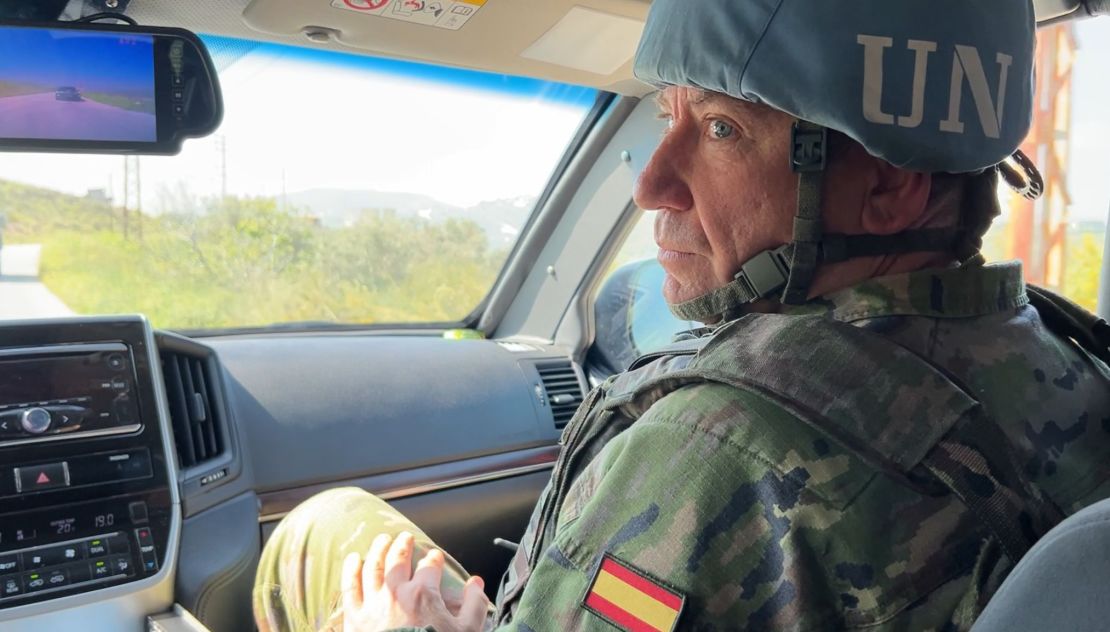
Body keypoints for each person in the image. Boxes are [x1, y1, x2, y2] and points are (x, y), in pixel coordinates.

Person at [254, 0, 1110, 630]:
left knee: (321, 532)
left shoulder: (718, 445)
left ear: (890, 185)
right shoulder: (1068, 362)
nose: (652, 183)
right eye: (668, 119)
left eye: (722, 129)